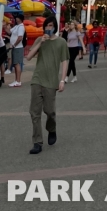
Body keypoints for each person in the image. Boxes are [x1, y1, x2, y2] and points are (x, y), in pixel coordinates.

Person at [27, 15, 69, 154]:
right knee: (34, 112)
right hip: (37, 79)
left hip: (51, 81)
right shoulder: (40, 40)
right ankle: (37, 142)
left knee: (50, 111)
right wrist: (40, 43)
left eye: (51, 26)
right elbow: (28, 57)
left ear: (55, 27)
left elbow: (64, 62)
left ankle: (52, 129)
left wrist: (62, 80)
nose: (48, 28)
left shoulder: (61, 42)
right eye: (46, 26)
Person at [8, 12, 26, 87]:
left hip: (18, 48)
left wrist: (14, 45)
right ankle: (16, 80)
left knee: (17, 64)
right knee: (15, 64)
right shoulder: (17, 26)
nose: (16, 18)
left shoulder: (21, 27)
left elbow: (20, 38)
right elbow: (9, 32)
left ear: (20, 19)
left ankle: (18, 81)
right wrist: (5, 26)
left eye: (17, 17)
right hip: (15, 48)